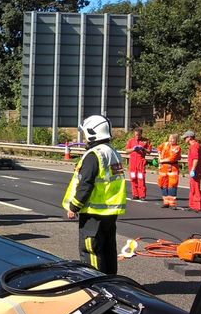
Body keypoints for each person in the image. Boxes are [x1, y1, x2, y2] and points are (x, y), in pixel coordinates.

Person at [62, 115, 127, 275]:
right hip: (109, 211)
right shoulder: (112, 152)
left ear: (92, 133)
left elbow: (86, 184)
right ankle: (110, 282)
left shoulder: (94, 155)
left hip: (93, 212)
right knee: (107, 249)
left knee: (90, 250)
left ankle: (95, 285)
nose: (84, 138)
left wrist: (74, 206)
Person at [125, 127, 152, 200]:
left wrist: (143, 149)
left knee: (141, 178)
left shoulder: (146, 141)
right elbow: (127, 150)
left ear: (141, 134)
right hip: (133, 163)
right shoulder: (131, 141)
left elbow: (149, 151)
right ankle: (135, 194)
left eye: (139, 135)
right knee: (133, 178)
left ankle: (142, 195)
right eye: (136, 135)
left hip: (141, 163)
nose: (137, 136)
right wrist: (133, 149)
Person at [182, 130, 201, 213]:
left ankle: (198, 207)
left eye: (185, 138)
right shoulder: (197, 145)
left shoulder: (194, 146)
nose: (184, 139)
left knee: (196, 188)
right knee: (193, 187)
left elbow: (196, 159)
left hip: (195, 171)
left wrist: (193, 169)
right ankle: (192, 205)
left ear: (189, 138)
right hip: (198, 170)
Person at [157, 134, 182, 209]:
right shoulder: (164, 144)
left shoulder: (177, 148)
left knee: (172, 185)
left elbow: (172, 158)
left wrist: (161, 160)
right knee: (163, 184)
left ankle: (172, 204)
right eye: (170, 139)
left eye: (173, 139)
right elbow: (159, 149)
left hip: (172, 168)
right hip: (163, 168)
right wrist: (159, 157)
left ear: (176, 140)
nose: (171, 140)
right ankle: (166, 202)